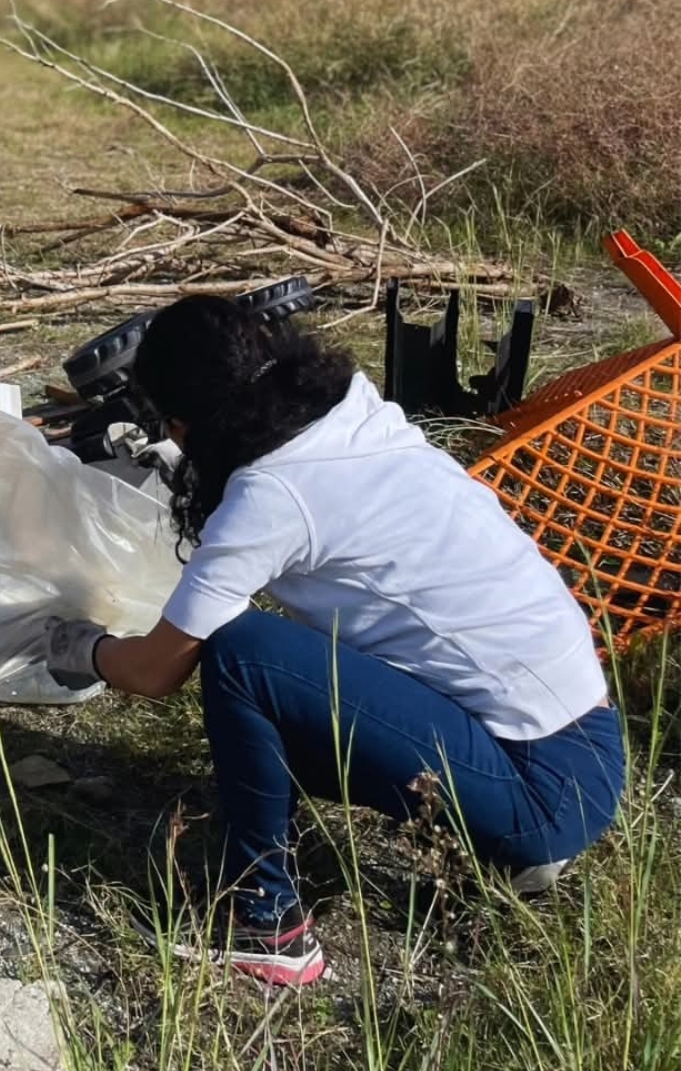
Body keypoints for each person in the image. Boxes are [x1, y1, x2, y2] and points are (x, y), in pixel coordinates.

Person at [44, 294, 624, 988]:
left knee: (242, 654)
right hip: (587, 742)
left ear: (184, 425)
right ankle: (504, 846)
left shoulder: (270, 497)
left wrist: (84, 648)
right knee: (275, 699)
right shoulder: (355, 410)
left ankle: (268, 924)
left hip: (540, 787)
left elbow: (154, 671)